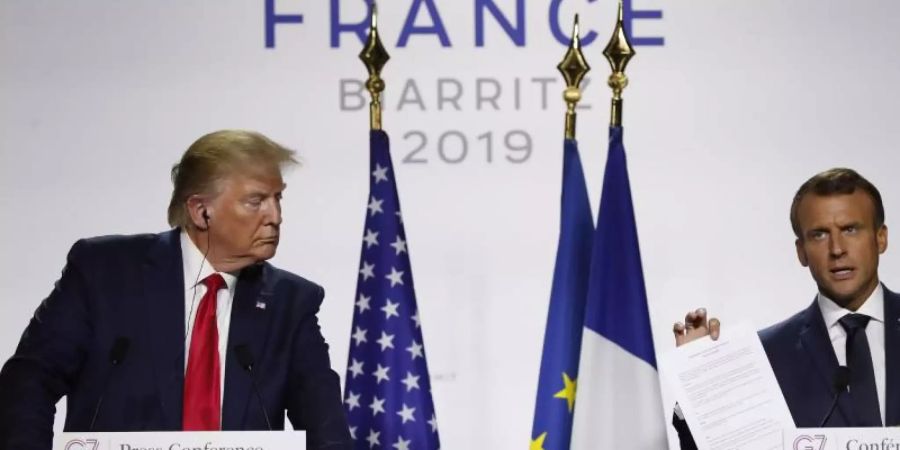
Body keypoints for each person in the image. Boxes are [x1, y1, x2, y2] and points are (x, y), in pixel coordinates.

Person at [0, 130, 352, 449]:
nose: (275, 216)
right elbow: (30, 379)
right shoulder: (104, 273)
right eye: (256, 201)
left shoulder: (291, 303)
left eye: (278, 198)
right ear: (201, 211)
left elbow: (327, 432)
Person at [671, 168, 899, 448]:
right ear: (801, 251)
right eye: (819, 235)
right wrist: (702, 386)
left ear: (881, 238)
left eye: (850, 229)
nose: (837, 248)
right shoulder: (762, 357)